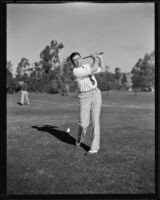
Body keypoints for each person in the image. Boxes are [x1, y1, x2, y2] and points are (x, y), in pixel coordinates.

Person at [69, 52, 106, 155]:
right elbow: (94, 68)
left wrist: (100, 59)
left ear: (81, 58)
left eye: (78, 58)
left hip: (96, 94)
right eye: (75, 60)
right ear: (72, 63)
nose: (77, 61)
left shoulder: (86, 66)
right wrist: (95, 59)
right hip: (84, 97)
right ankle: (80, 139)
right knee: (84, 124)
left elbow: (102, 69)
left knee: (95, 121)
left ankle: (94, 148)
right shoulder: (76, 71)